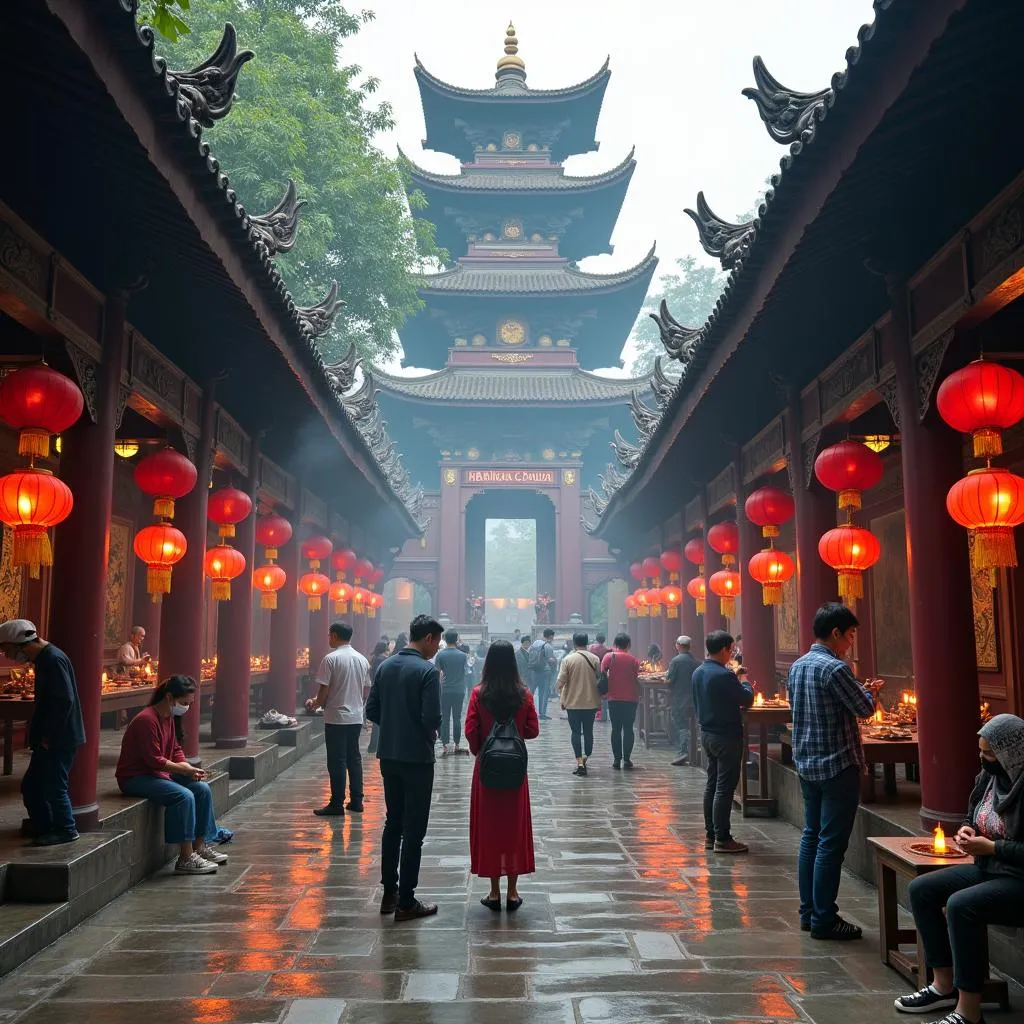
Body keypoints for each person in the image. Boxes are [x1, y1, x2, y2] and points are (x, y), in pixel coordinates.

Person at [895, 714, 1024, 1024]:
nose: (982, 759)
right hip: (989, 867)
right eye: (980, 751)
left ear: (1011, 753)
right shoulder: (989, 778)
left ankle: (968, 1010)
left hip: (1018, 877)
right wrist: (966, 831)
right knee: (922, 889)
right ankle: (942, 984)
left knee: (961, 904)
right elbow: (972, 816)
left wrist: (993, 847)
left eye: (989, 753)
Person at [788, 603, 877, 939]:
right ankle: (824, 918)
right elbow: (863, 708)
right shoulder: (835, 669)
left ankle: (808, 912)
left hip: (807, 763)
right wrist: (871, 692)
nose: (851, 642)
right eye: (850, 635)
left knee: (811, 837)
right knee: (830, 844)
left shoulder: (798, 667)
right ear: (836, 632)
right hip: (838, 764)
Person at [365, 614, 443, 921]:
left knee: (392, 823)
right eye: (436, 641)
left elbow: (372, 709)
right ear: (427, 638)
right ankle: (407, 901)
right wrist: (424, 733)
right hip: (418, 759)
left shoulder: (385, 666)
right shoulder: (426, 671)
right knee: (414, 831)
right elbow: (432, 719)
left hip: (390, 756)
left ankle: (389, 894)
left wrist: (395, 727)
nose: (436, 647)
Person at [115, 675, 228, 874]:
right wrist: (185, 770)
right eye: (184, 703)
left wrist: (188, 768)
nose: (187, 707)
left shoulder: (169, 718)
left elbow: (175, 749)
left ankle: (199, 847)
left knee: (201, 789)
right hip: (136, 777)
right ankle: (185, 858)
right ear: (169, 697)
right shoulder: (146, 720)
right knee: (183, 796)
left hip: (157, 773)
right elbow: (154, 760)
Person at [465, 640, 539, 911]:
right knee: (514, 828)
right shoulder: (524, 694)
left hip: (487, 770)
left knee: (490, 828)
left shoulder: (478, 693)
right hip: (516, 771)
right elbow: (532, 730)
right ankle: (513, 892)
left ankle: (494, 892)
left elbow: (471, 730)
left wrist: (480, 750)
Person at [0, 620, 85, 846]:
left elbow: (63, 701)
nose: (7, 655)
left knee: (54, 786)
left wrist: (48, 736)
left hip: (58, 738)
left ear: (19, 644)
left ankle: (66, 829)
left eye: (7, 649)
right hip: (53, 737)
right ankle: (45, 828)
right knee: (33, 786)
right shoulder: (46, 658)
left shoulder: (52, 659)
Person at [692, 629, 753, 854]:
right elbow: (746, 699)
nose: (732, 654)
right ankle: (723, 838)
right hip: (726, 735)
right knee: (725, 788)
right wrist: (744, 681)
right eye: (731, 650)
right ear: (725, 649)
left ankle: (711, 834)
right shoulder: (723, 675)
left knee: (712, 784)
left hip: (707, 733)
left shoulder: (699, 671)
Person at [307, 622, 369, 817]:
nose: (328, 639)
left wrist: (315, 703)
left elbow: (324, 690)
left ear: (334, 636)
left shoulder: (331, 659)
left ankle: (336, 803)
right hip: (356, 717)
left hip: (336, 717)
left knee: (337, 760)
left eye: (329, 635)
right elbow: (366, 689)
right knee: (354, 759)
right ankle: (357, 801)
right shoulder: (362, 659)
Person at [556, 632, 601, 776]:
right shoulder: (595, 659)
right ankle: (586, 757)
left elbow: (561, 682)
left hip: (573, 703)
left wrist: (560, 693)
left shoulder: (568, 660)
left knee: (575, 732)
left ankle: (580, 763)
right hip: (590, 702)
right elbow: (600, 678)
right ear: (587, 642)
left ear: (574, 643)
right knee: (588, 731)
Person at [601, 633, 641, 769]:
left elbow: (602, 674)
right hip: (630, 699)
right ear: (628, 645)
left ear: (615, 644)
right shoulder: (634, 660)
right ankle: (627, 759)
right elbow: (638, 677)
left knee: (616, 729)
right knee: (628, 729)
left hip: (613, 698)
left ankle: (616, 760)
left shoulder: (608, 657)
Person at [436, 630, 470, 756]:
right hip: (459, 690)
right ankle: (456, 744)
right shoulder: (463, 655)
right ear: (456, 639)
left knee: (445, 717)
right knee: (457, 717)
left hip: (445, 689)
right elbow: (467, 671)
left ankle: (445, 745)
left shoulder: (440, 655)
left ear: (445, 639)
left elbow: (437, 673)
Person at [667, 635, 698, 767]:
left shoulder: (676, 661)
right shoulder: (695, 661)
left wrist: (665, 680)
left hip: (679, 698)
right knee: (691, 724)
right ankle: (690, 751)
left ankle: (683, 752)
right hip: (692, 699)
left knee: (681, 725)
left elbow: (669, 680)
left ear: (678, 645)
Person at [527, 628, 557, 722]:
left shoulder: (534, 644)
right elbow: (550, 660)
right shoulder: (548, 646)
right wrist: (556, 660)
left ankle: (527, 711)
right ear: (551, 636)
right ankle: (542, 713)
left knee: (531, 691)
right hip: (545, 671)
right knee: (543, 693)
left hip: (534, 671)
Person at [366, 640, 389, 756]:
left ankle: (373, 746)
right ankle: (380, 745)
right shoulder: (384, 659)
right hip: (383, 690)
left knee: (377, 719)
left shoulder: (373, 658)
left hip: (375, 689)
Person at [589, 633, 609, 722]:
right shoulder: (607, 649)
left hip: (593, 673)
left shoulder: (591, 648)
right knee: (603, 694)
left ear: (596, 639)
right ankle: (603, 715)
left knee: (593, 693)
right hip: (603, 674)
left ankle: (593, 714)